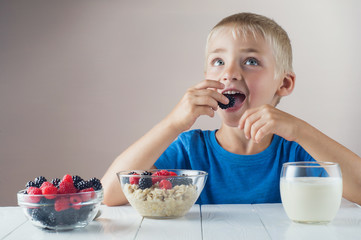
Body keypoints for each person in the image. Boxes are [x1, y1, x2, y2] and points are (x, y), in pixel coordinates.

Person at [101, 12, 361, 206]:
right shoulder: (190, 150)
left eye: (250, 61)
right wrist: (173, 123)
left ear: (283, 83)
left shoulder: (296, 151)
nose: (229, 73)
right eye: (218, 61)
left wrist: (299, 129)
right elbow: (109, 194)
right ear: (206, 75)